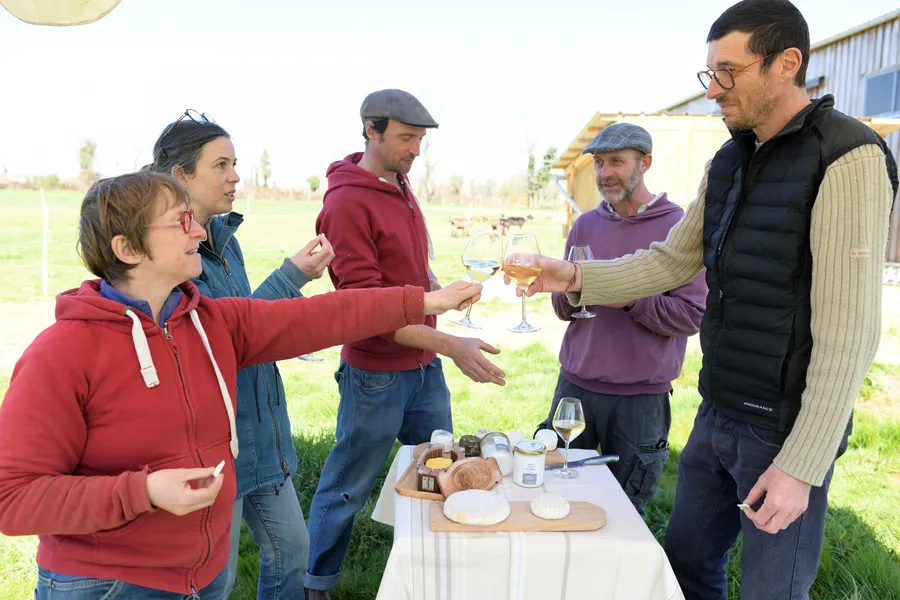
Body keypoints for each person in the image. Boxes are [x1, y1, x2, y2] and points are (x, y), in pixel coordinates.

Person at [509, 1, 899, 597]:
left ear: (786, 63)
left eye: (728, 72)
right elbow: (669, 260)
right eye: (708, 74)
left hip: (786, 430)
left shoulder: (846, 155)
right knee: (686, 567)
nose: (713, 90)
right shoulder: (728, 160)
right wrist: (571, 276)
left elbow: (850, 330)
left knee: (771, 592)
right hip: (717, 413)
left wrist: (802, 463)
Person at [0, 171, 483, 599]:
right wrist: (141, 491)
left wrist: (424, 299)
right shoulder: (62, 352)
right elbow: (12, 497)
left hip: (203, 576)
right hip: (109, 585)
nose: (198, 230)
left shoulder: (209, 321)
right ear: (127, 249)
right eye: (179, 222)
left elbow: (322, 315)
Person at [306, 89, 506, 598]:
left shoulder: (399, 183)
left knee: (443, 471)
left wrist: (440, 295)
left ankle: (437, 571)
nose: (416, 149)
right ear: (370, 130)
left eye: (421, 139)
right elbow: (366, 310)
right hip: (376, 374)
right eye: (406, 137)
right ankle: (314, 583)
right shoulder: (347, 202)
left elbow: (409, 276)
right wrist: (453, 344)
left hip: (425, 373)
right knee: (347, 485)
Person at [149, 110, 334, 599]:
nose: (236, 177)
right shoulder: (169, 255)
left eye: (236, 163)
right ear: (180, 177)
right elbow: (226, 336)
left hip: (262, 439)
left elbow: (247, 325)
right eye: (221, 165)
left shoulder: (225, 242)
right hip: (215, 451)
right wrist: (292, 277)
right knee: (216, 581)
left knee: (293, 555)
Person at [543, 123, 706, 516]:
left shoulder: (678, 227)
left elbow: (691, 315)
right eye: (599, 163)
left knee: (623, 513)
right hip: (574, 390)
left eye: (616, 162)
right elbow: (564, 309)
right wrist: (567, 291)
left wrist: (625, 295)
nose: (604, 173)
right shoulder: (585, 225)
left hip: (640, 400)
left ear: (645, 163)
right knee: (552, 496)